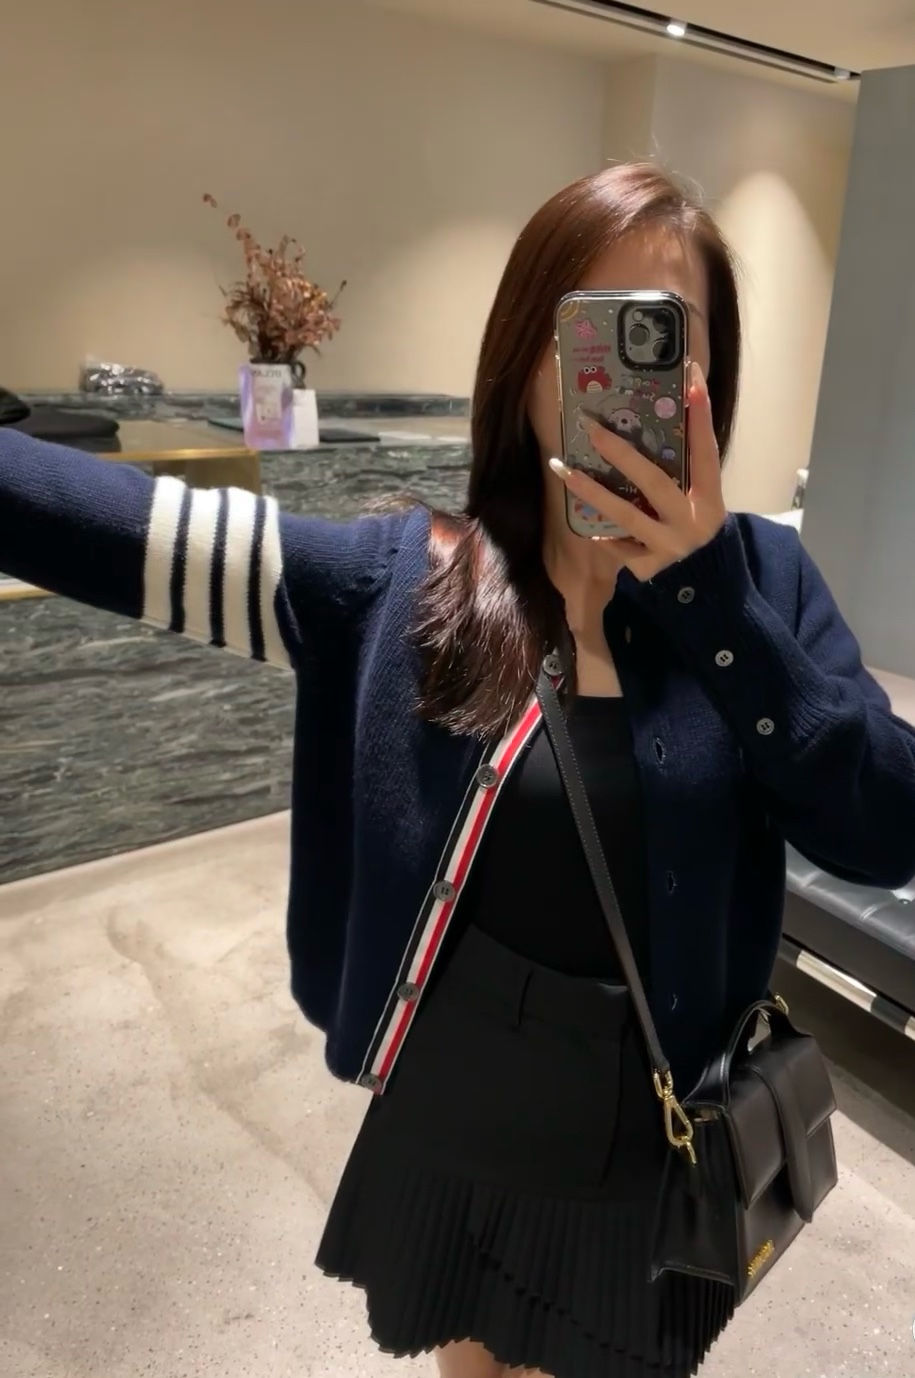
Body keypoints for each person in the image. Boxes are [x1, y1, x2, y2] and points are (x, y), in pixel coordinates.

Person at [2, 162, 915, 1378]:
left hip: (654, 1133)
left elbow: (885, 826)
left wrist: (711, 601)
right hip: (458, 1110)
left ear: (710, 380)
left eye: (661, 339)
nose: (616, 380)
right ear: (523, 358)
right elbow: (101, 525)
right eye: (585, 332)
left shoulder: (765, 584)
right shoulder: (411, 581)